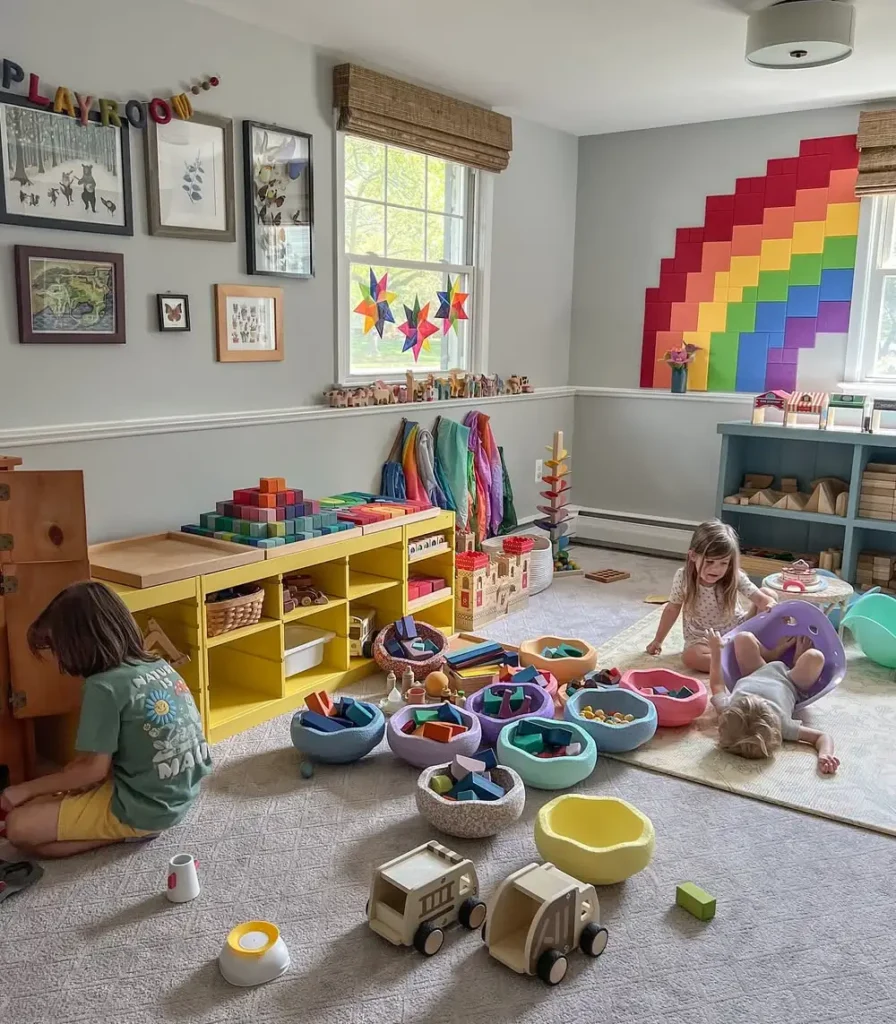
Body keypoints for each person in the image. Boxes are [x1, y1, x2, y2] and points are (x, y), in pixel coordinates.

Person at [0, 582, 211, 858]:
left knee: (19, 828)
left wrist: (23, 790)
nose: (56, 659)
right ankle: (127, 825)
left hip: (147, 806)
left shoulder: (103, 687)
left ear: (79, 642)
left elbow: (92, 771)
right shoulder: (156, 665)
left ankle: (127, 831)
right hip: (180, 793)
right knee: (47, 795)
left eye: (55, 647)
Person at [646, 520, 776, 672]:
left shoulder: (734, 575)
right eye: (710, 561)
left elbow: (760, 598)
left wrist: (771, 604)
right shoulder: (683, 578)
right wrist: (658, 640)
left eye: (723, 563)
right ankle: (742, 659)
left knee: (769, 593)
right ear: (693, 556)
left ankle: (747, 654)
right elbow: (672, 609)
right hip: (703, 639)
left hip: (738, 630)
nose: (717, 569)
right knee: (690, 657)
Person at [706, 628, 839, 775]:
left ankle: (772, 654)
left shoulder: (728, 710)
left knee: (742, 638)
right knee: (815, 657)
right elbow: (822, 736)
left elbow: (717, 684)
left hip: (755, 672)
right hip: (791, 681)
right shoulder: (783, 726)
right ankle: (796, 662)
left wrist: (716, 651)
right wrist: (825, 754)